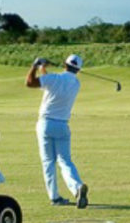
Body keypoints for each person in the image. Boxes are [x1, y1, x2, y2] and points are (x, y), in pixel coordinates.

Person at [26, 54, 89, 208]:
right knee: (65, 161)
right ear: (78, 69)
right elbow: (49, 84)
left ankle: (54, 197)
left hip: (45, 124)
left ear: (64, 64)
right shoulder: (76, 84)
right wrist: (43, 69)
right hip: (62, 126)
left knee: (48, 162)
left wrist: (35, 66)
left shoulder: (54, 79)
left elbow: (30, 83)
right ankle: (77, 187)